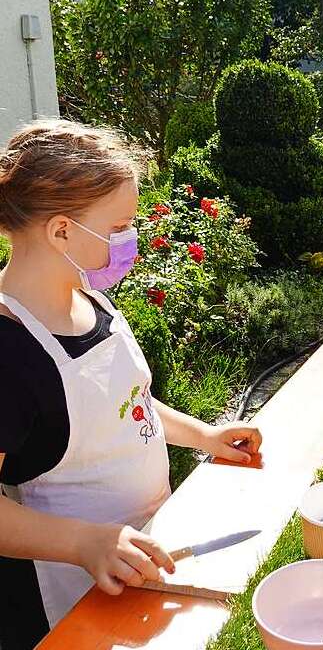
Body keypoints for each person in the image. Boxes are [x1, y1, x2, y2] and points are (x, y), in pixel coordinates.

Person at [0, 120, 262, 650]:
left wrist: (203, 436)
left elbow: (128, 404)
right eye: (119, 227)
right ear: (62, 232)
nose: (130, 241)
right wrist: (84, 543)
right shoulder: (8, 353)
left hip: (142, 562)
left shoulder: (89, 299)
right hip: (64, 599)